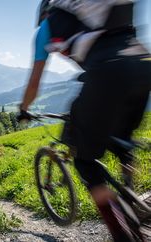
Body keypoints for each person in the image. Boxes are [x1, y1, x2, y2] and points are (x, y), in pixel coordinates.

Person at [18, 0, 151, 241]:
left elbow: (34, 83)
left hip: (108, 72)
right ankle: (133, 195)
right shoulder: (93, 8)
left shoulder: (48, 24)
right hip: (143, 63)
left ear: (44, 12)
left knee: (84, 162)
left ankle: (122, 233)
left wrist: (24, 108)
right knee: (121, 140)